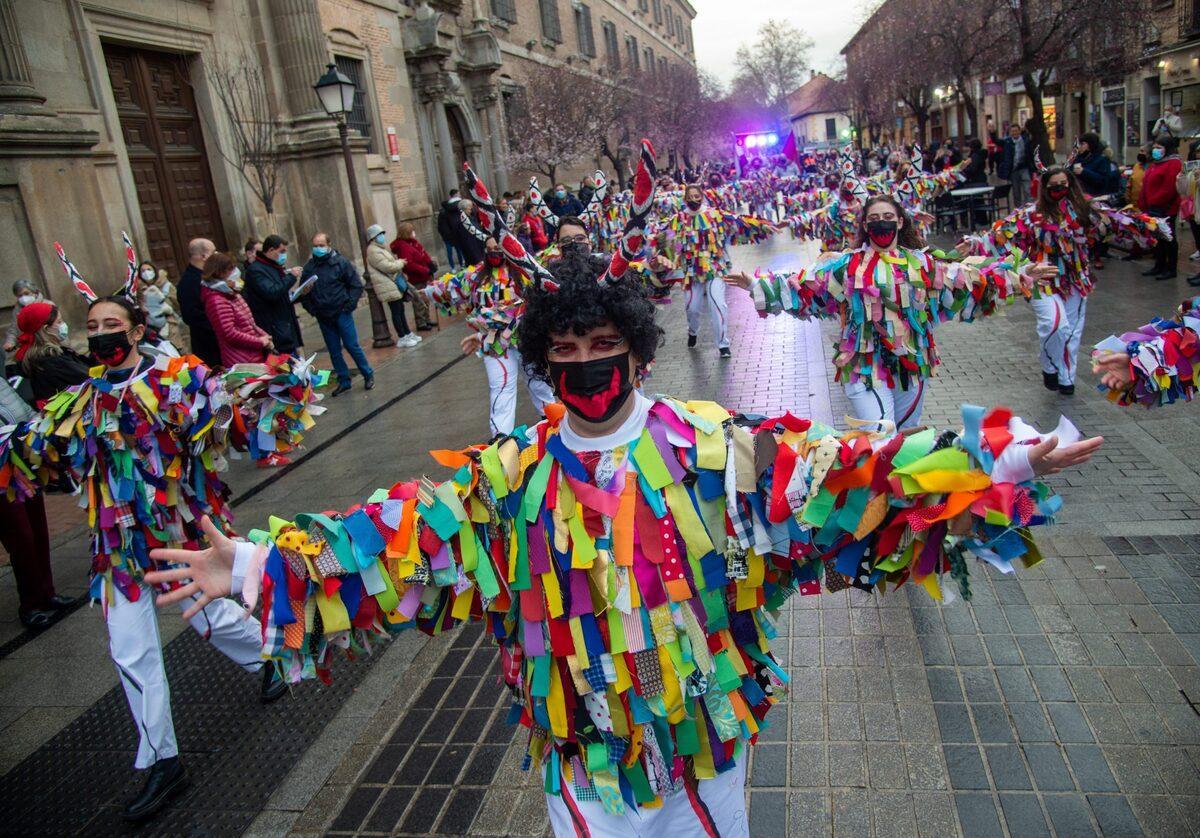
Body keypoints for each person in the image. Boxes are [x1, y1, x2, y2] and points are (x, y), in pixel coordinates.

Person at [144, 251, 1103, 838]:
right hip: (580, 747)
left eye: (600, 348)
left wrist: (997, 462)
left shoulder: (716, 448)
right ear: (541, 367)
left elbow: (849, 476)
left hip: (699, 743)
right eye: (561, 357)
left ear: (639, 353)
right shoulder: (507, 476)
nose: (584, 369)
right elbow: (395, 550)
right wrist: (260, 563)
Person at [0, 255, 329, 819]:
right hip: (119, 550)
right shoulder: (83, 399)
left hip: (178, 533)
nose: (100, 335)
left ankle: (271, 659)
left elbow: (234, 397)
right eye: (93, 328)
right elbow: (38, 445)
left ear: (135, 330)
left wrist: (277, 383)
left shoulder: (176, 378)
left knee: (211, 613)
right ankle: (163, 761)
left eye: (111, 326)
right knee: (131, 649)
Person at [728, 194, 1029, 427]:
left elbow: (964, 283)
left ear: (900, 222)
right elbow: (807, 287)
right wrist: (758, 284)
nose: (881, 223)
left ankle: (895, 506)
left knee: (905, 441)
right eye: (874, 218)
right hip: (863, 367)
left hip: (910, 367)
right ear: (864, 225)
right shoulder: (847, 266)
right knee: (881, 436)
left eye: (888, 217)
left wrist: (1018, 278)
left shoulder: (921, 265)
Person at [967, 165, 1169, 394]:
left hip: (1075, 280)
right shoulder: (1030, 214)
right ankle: (1049, 367)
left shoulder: (1085, 210)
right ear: (1044, 187)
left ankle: (1066, 379)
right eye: (1053, 185)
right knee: (1054, 324)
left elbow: (1116, 220)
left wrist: (1149, 227)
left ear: (1071, 184)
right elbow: (1000, 234)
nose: (1059, 189)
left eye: (1064, 184)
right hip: (1042, 279)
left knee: (1071, 332)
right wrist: (973, 244)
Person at [424, 235, 554, 435]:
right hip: (494, 344)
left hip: (525, 339)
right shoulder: (476, 276)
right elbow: (447, 288)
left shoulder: (523, 273)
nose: (495, 253)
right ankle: (501, 439)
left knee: (538, 383)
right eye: (490, 249)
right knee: (501, 387)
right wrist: (427, 290)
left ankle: (554, 423)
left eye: (499, 248)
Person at [656, 183, 776, 358]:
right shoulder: (678, 219)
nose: (694, 199)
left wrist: (762, 226)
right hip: (691, 273)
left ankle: (723, 344)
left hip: (715, 269)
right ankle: (692, 331)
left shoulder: (714, 215)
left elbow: (739, 221)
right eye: (690, 197)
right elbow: (663, 237)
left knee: (718, 305)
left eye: (697, 196)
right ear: (685, 199)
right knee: (692, 308)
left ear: (702, 196)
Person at [0, 357, 74, 629]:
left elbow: (18, 410)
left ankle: (47, 593)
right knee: (21, 537)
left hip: (18, 458)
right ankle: (30, 604)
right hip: (2, 472)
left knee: (38, 530)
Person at [302, 231, 376, 396]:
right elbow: (303, 292)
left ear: (328, 246)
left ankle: (367, 373)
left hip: (341, 311)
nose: (318, 249)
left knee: (352, 345)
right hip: (323, 314)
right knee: (334, 350)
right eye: (315, 246)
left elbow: (356, 285)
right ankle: (344, 380)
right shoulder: (309, 267)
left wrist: (349, 305)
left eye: (321, 245)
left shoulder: (340, 263)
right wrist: (312, 310)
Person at [200, 252, 272, 366]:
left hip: (252, 355)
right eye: (231, 269)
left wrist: (264, 336)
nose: (235, 272)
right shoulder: (216, 300)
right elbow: (229, 333)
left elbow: (249, 324)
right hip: (240, 359)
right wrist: (259, 341)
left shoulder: (232, 293)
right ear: (220, 272)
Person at [14, 300, 92, 403]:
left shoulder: (41, 356)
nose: (64, 324)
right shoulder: (52, 361)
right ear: (46, 329)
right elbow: (91, 379)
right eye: (59, 322)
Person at [244, 234, 302, 354]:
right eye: (281, 251)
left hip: (285, 324)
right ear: (270, 250)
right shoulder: (256, 270)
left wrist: (300, 293)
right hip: (274, 327)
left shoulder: (274, 267)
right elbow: (272, 292)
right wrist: (291, 277)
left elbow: (281, 293)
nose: (284, 255)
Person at [365, 223, 420, 350]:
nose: (382, 236)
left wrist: (397, 264)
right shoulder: (373, 250)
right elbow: (386, 266)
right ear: (373, 237)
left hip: (392, 284)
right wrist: (400, 263)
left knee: (400, 310)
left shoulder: (380, 248)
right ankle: (402, 336)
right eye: (380, 235)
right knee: (396, 312)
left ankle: (407, 333)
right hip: (386, 286)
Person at [1139, 135, 1183, 280]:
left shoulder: (1173, 163)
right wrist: (1144, 203)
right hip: (1152, 208)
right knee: (1157, 238)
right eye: (1155, 147)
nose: (1156, 150)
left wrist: (1155, 202)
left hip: (1165, 208)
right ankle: (1159, 265)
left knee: (1168, 238)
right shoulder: (1156, 163)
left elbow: (1169, 188)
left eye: (1159, 147)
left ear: (1167, 149)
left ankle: (1171, 269)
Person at [176, 237, 222, 368]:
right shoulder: (189, 282)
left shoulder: (207, 277)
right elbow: (192, 316)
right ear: (204, 256)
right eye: (214, 253)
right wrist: (220, 328)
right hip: (209, 345)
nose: (216, 256)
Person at [390, 222, 437, 332]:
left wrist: (430, 263)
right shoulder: (403, 246)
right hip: (416, 277)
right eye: (412, 231)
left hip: (424, 275)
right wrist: (426, 270)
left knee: (425, 298)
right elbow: (410, 264)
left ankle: (427, 319)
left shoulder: (413, 243)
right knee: (418, 300)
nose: (414, 233)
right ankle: (421, 322)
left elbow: (422, 253)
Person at [138, 260, 180, 339]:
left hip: (169, 325)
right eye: (143, 271)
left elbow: (178, 303)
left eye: (149, 269)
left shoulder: (166, 286)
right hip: (151, 329)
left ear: (154, 271)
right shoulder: (139, 290)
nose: (146, 272)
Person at [4, 279, 48, 353]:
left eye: (26, 293)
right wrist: (10, 342)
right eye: (20, 295)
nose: (23, 298)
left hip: (45, 347)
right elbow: (14, 329)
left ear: (35, 293)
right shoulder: (17, 310)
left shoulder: (47, 306)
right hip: (28, 349)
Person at [1072, 133, 1121, 198]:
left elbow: (1103, 180)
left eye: (1082, 144)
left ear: (1090, 144)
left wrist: (1084, 172)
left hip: (1096, 196)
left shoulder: (1102, 159)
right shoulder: (1079, 158)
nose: (1079, 146)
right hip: (1080, 195)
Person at [997, 122, 1033, 207]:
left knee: (1027, 190)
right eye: (1012, 131)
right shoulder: (1007, 142)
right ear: (1010, 132)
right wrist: (992, 133)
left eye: (1016, 131)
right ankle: (1018, 211)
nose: (1014, 133)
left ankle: (1029, 209)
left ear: (1019, 131)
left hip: (1024, 168)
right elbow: (997, 141)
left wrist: (1033, 169)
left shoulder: (1026, 140)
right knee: (1016, 192)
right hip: (1013, 170)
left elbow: (1031, 154)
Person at [436, 189, 465, 269]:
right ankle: (459, 266)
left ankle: (455, 267)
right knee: (456, 251)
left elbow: (440, 226)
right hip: (450, 235)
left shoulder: (449, 210)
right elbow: (441, 225)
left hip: (449, 235)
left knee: (453, 252)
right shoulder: (453, 209)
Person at [456, 198, 487, 266]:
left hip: (479, 251)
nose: (471, 210)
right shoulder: (463, 222)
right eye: (470, 208)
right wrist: (477, 259)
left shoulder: (469, 218)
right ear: (465, 208)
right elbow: (469, 241)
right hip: (475, 255)